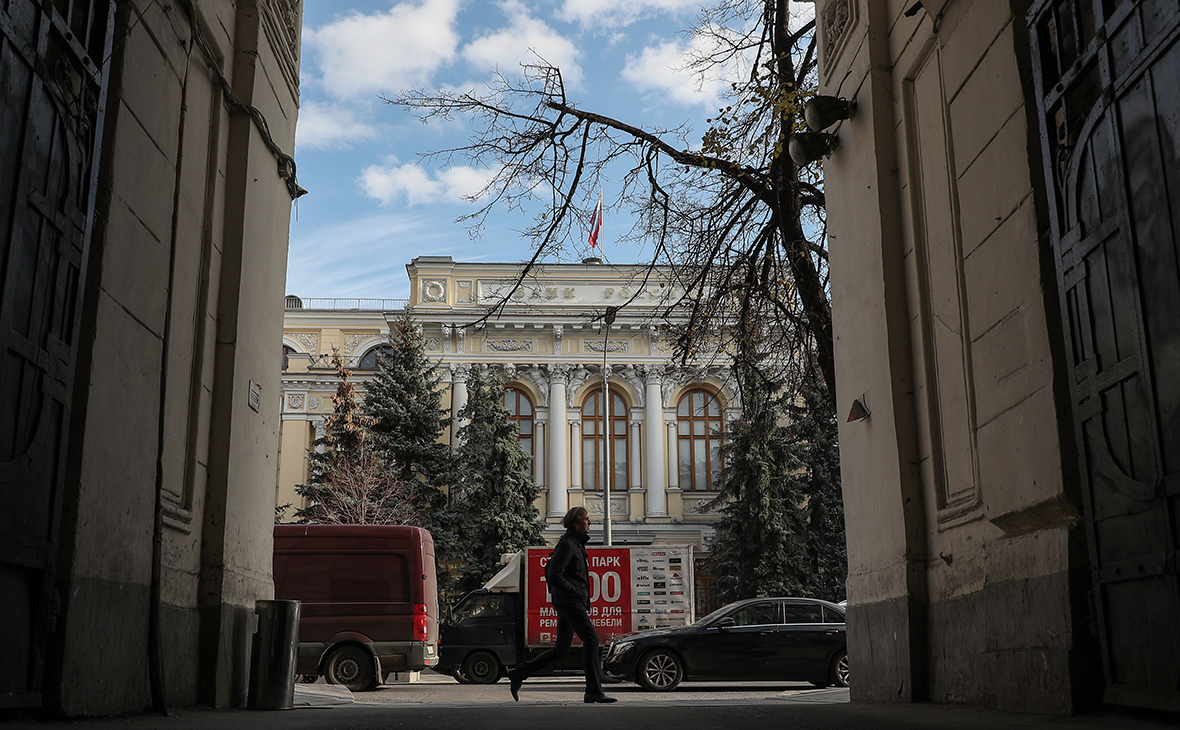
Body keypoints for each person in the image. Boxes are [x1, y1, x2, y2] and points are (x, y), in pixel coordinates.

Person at [508, 506, 617, 704]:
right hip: (569, 601)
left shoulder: (575, 544)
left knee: (561, 649)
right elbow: (553, 574)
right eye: (586, 519)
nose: (589, 523)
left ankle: (519, 673)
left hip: (569, 601)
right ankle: (593, 690)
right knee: (591, 639)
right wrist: (575, 592)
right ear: (576, 523)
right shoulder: (568, 544)